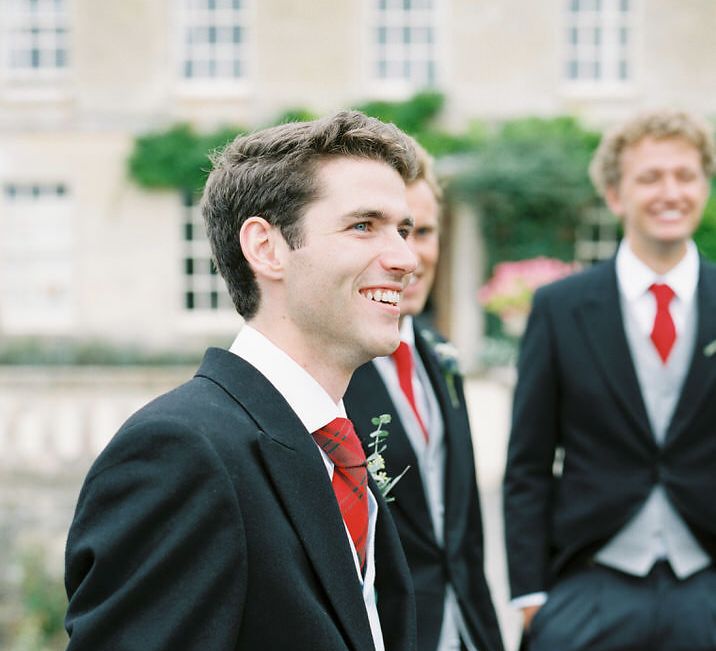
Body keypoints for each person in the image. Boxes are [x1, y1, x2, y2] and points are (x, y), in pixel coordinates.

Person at [64, 111, 422, 650]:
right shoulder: (180, 452)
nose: (405, 259)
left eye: (404, 230)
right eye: (363, 225)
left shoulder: (332, 447)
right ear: (265, 247)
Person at [503, 109, 716, 651]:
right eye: (650, 177)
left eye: (685, 176)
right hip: (591, 583)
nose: (671, 192)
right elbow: (528, 464)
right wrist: (530, 597)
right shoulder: (559, 307)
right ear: (616, 195)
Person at [345, 142, 505, 651]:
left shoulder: (443, 358)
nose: (409, 255)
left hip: (467, 627)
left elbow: (465, 527)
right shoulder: (333, 372)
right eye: (386, 229)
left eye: (421, 232)